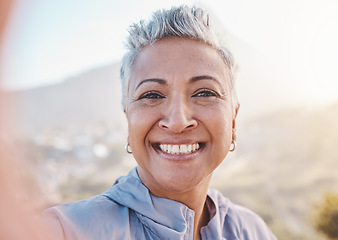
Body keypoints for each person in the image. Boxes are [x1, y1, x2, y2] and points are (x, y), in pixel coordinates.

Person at [39, 5, 277, 240]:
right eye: (152, 95)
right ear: (128, 120)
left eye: (204, 93)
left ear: (233, 121)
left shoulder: (251, 231)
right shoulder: (63, 231)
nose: (178, 122)